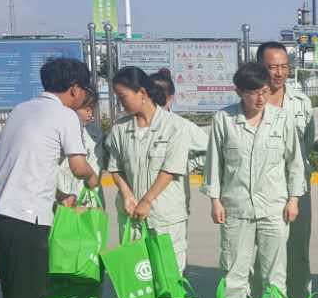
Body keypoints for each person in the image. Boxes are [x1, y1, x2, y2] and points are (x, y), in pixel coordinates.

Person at [0, 57, 99, 298]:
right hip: (26, 218)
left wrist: (59, 196)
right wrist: (92, 177)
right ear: (74, 89)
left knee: (14, 291)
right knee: (31, 296)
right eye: (85, 89)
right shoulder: (65, 115)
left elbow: (28, 163)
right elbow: (79, 166)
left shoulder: (21, 109)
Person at [202, 63, 305, 298]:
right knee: (234, 271)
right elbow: (214, 163)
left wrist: (294, 199)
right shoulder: (224, 119)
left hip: (274, 206)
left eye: (265, 92)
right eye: (253, 93)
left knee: (274, 273)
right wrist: (215, 201)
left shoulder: (282, 118)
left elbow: (295, 162)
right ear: (239, 92)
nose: (260, 99)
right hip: (235, 207)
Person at [105, 67, 193, 272]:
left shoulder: (176, 126)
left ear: (142, 93)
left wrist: (146, 201)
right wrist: (127, 195)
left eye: (123, 97)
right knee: (137, 276)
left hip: (165, 215)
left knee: (168, 274)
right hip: (132, 215)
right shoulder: (120, 129)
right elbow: (116, 168)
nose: (120, 103)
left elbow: (170, 170)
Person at [259, 41, 317, 298]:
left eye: (284, 66)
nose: (279, 73)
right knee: (262, 254)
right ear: (260, 66)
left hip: (296, 188)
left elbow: (306, 145)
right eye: (272, 67)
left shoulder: (301, 103)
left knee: (297, 250)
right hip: (261, 189)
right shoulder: (252, 101)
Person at [150, 68, 210, 215]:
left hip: (171, 205)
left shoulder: (181, 126)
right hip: (138, 204)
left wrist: (187, 165)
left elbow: (210, 148)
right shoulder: (132, 126)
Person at [56, 87, 103, 207]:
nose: (90, 114)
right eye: (86, 110)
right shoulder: (59, 129)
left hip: (90, 198)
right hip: (66, 198)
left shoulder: (94, 130)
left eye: (92, 109)